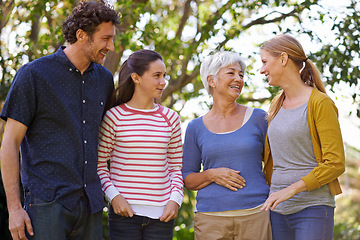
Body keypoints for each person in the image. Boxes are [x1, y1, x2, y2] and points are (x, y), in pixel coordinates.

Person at [0, 1, 120, 240]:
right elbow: (10, 143)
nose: (112, 47)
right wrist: (14, 208)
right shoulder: (34, 75)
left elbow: (109, 140)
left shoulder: (105, 80)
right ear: (81, 35)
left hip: (91, 206)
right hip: (47, 205)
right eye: (106, 39)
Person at [259, 34, 345, 240]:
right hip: (277, 210)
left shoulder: (320, 103)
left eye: (264, 62)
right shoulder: (276, 104)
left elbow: (335, 163)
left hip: (312, 208)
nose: (261, 70)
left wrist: (292, 189)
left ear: (283, 59)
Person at [182, 51, 272, 240]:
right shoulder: (195, 127)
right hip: (210, 220)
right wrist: (212, 174)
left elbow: (275, 164)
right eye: (231, 73)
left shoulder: (259, 118)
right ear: (211, 81)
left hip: (255, 215)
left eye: (241, 75)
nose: (238, 79)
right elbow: (188, 179)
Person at [97, 49, 184, 240]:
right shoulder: (114, 117)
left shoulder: (170, 118)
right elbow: (100, 166)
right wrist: (114, 197)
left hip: (162, 216)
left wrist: (175, 200)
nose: (163, 82)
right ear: (136, 78)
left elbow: (176, 167)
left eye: (164, 76)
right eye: (157, 76)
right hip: (124, 215)